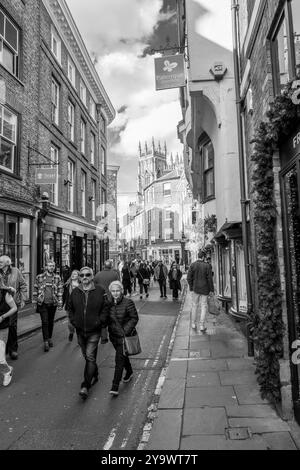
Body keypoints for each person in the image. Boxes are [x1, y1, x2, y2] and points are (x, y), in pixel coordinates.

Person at [68, 267, 108, 400]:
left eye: (87, 275)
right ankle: (94, 372)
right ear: (79, 277)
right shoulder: (75, 292)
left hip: (94, 331)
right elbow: (70, 309)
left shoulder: (100, 291)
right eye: (82, 275)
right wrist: (74, 322)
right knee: (86, 356)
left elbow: (105, 308)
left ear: (92, 277)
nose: (84, 277)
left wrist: (100, 321)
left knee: (90, 357)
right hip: (80, 331)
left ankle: (85, 385)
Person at [107, 280, 138, 396]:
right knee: (123, 356)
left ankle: (115, 386)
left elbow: (134, 318)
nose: (115, 293)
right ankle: (129, 371)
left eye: (117, 291)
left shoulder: (128, 302)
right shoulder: (108, 303)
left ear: (121, 291)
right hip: (113, 337)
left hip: (124, 337)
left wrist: (125, 331)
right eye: (113, 291)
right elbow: (105, 319)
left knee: (119, 360)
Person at [0, 255, 27, 360]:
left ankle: (13, 349)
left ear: (7, 263)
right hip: (1, 304)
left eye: (1, 262)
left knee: (12, 326)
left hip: (12, 303)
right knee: (3, 327)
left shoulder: (16, 271)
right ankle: (3, 348)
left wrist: (23, 299)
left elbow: (23, 285)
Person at [32, 261, 63, 351]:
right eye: (50, 266)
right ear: (46, 267)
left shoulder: (57, 277)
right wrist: (35, 302)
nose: (51, 267)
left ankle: (49, 337)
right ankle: (46, 341)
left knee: (50, 321)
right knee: (45, 322)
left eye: (53, 266)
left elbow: (60, 291)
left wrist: (60, 303)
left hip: (53, 303)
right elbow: (35, 289)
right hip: (43, 303)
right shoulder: (40, 277)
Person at [187, 250, 214, 332]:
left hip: (195, 289)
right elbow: (210, 279)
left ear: (198, 256)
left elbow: (189, 278)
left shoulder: (193, 265)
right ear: (203, 257)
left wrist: (191, 287)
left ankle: (193, 324)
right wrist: (211, 290)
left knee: (194, 306)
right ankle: (202, 325)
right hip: (205, 289)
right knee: (203, 307)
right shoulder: (207, 266)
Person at [0, 284, 18, 386]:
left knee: (0, 358)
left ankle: (7, 372)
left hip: (2, 329)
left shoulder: (5, 294)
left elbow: (14, 308)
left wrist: (2, 317)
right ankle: (6, 368)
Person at [63, 270, 80, 341]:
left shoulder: (81, 285)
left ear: (78, 276)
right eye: (72, 274)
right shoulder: (67, 284)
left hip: (79, 306)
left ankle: (79, 336)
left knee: (79, 322)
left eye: (75, 274)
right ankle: (71, 332)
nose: (73, 275)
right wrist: (61, 303)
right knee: (70, 322)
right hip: (69, 306)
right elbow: (64, 295)